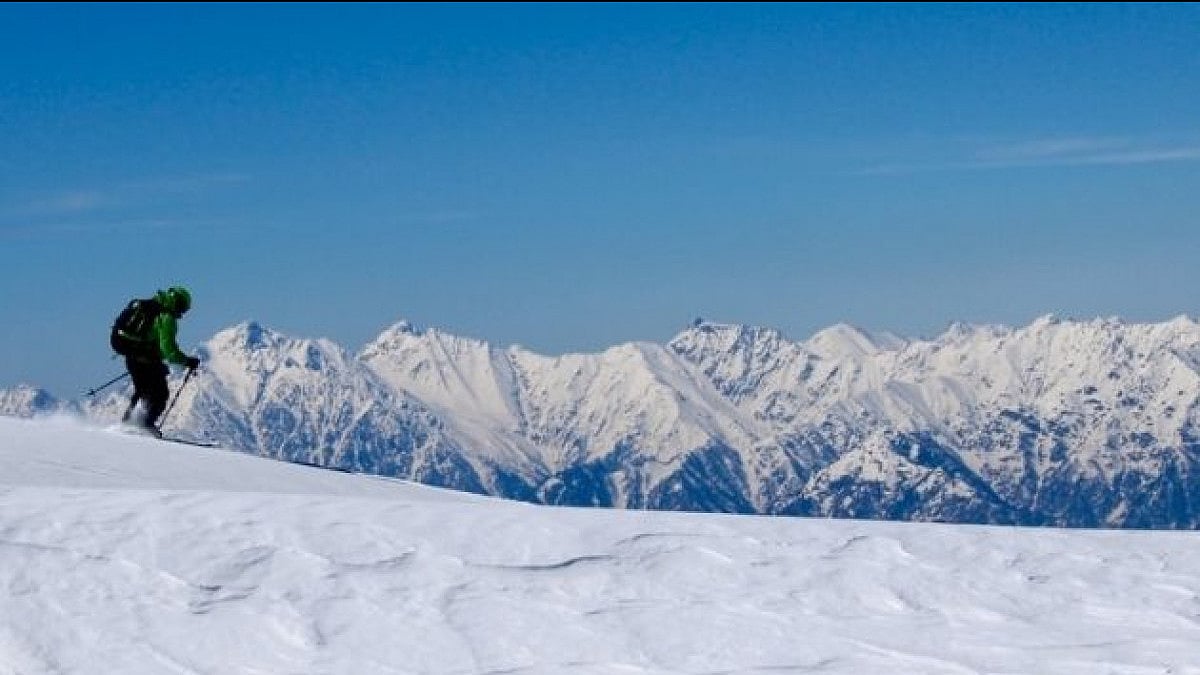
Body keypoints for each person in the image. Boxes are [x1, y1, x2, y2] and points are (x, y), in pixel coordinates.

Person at [114, 286, 201, 436]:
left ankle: (128, 424)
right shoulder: (167, 318)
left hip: (133, 354)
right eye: (183, 309)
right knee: (160, 393)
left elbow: (155, 341)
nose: (182, 313)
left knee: (143, 391)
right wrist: (187, 361)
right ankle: (143, 426)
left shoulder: (152, 307)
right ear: (177, 303)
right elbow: (168, 349)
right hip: (143, 357)